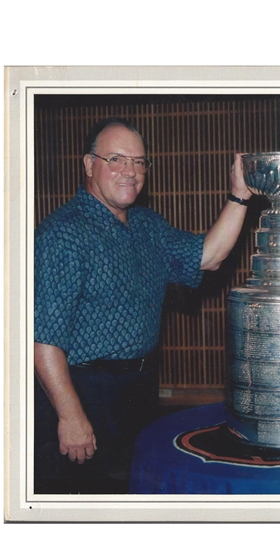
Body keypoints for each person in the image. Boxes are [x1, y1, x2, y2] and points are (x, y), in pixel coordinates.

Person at [34, 117, 252, 494]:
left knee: (135, 490)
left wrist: (240, 196)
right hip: (82, 389)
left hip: (140, 386)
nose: (130, 172)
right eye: (117, 159)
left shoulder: (148, 225)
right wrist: (70, 415)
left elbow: (210, 257)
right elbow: (43, 340)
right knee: (87, 502)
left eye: (139, 162)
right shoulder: (62, 234)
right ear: (89, 165)